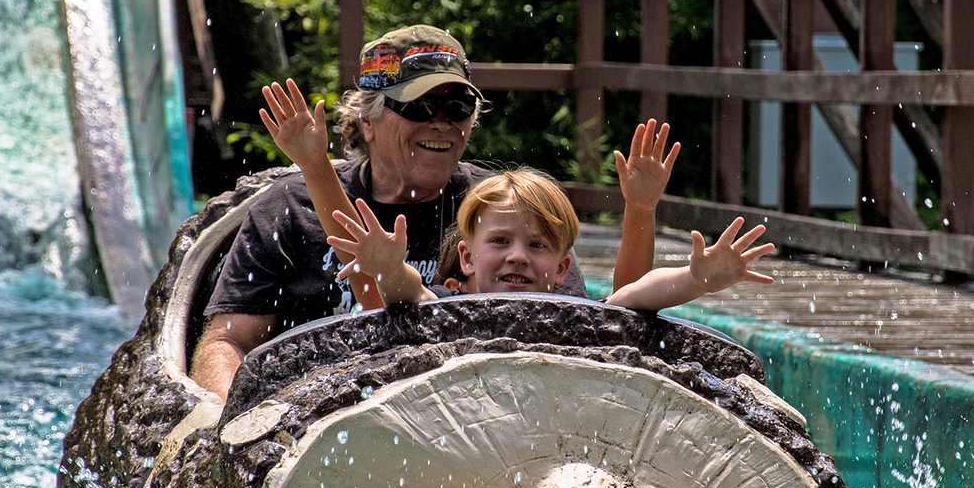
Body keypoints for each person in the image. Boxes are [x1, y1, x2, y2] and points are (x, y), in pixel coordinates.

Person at [188, 24, 675, 398]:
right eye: (419, 107)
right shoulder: (289, 207)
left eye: (457, 106)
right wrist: (223, 421)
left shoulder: (503, 208)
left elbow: (593, 331)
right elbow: (227, 342)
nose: (441, 123)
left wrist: (643, 213)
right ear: (368, 121)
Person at [330, 168, 775, 312]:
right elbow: (409, 292)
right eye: (500, 241)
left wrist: (695, 280)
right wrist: (389, 268)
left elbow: (633, 297)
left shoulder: (572, 317)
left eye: (538, 246)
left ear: (563, 269)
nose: (518, 257)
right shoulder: (448, 311)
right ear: (466, 259)